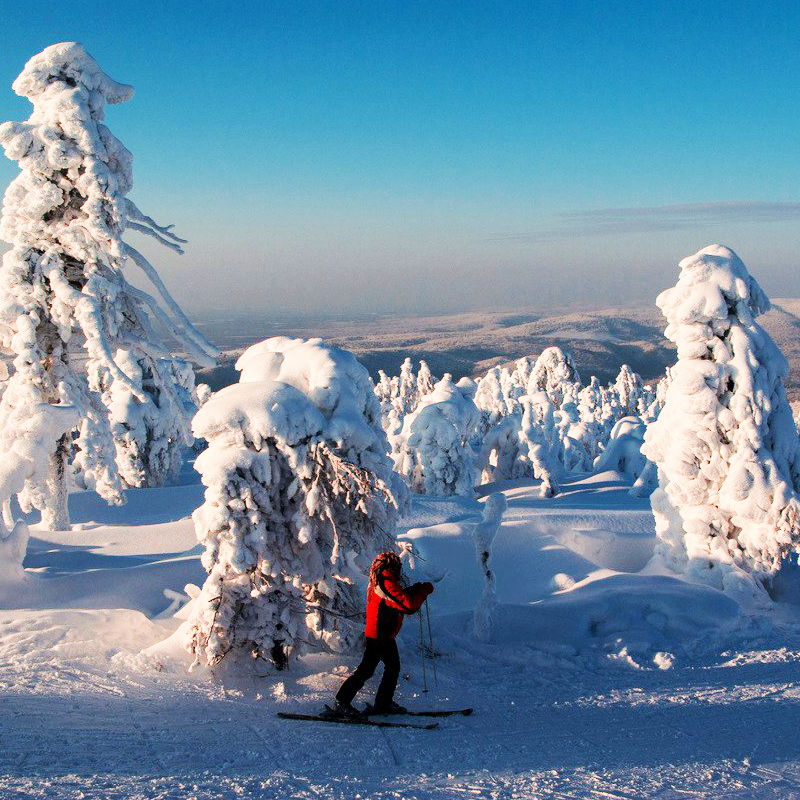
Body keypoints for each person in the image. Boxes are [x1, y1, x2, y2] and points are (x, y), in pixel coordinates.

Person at [333, 551, 433, 716]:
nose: (400, 568)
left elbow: (397, 598)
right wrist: (421, 592)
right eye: (398, 565)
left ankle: (383, 703)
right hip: (379, 635)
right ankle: (342, 702)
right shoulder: (386, 583)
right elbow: (408, 606)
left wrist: (414, 590)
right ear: (392, 567)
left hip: (383, 634)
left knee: (392, 667)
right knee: (367, 669)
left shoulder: (383, 581)